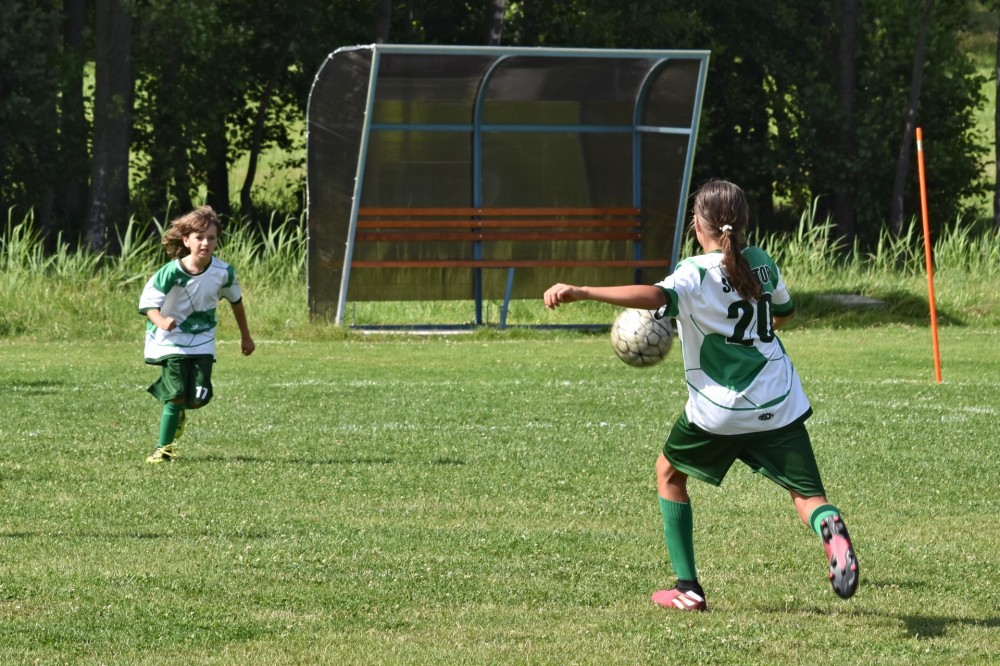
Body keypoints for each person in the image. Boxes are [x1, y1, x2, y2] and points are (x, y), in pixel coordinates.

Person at [542, 180, 858, 611]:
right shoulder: (762, 262)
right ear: (743, 222)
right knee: (808, 497)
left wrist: (583, 292)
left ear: (697, 223)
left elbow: (656, 296)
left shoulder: (695, 271)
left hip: (721, 409)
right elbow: (783, 313)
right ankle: (829, 524)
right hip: (778, 401)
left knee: (669, 474)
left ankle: (687, 589)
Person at [138, 206, 256, 464]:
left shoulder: (224, 273)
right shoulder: (171, 271)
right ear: (186, 241)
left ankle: (179, 408)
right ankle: (163, 449)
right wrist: (162, 322)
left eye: (211, 238)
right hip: (171, 341)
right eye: (199, 237)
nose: (205, 243)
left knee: (198, 399)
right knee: (176, 394)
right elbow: (148, 305)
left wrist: (246, 337)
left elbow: (236, 303)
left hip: (202, 340)